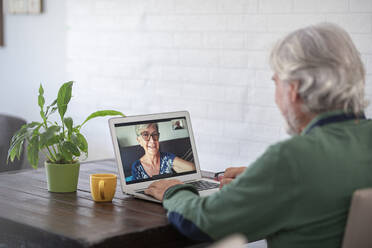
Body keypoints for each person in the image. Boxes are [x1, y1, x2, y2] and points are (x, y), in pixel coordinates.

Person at [144, 23, 372, 248]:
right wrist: (263, 178)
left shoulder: (291, 159)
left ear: (293, 89)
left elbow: (201, 224)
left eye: (276, 83)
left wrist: (172, 191)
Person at [131, 123, 196, 180]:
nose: (152, 141)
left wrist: (175, 167)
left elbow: (193, 168)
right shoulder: (136, 166)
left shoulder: (167, 158)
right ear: (139, 141)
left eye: (155, 134)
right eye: (145, 135)